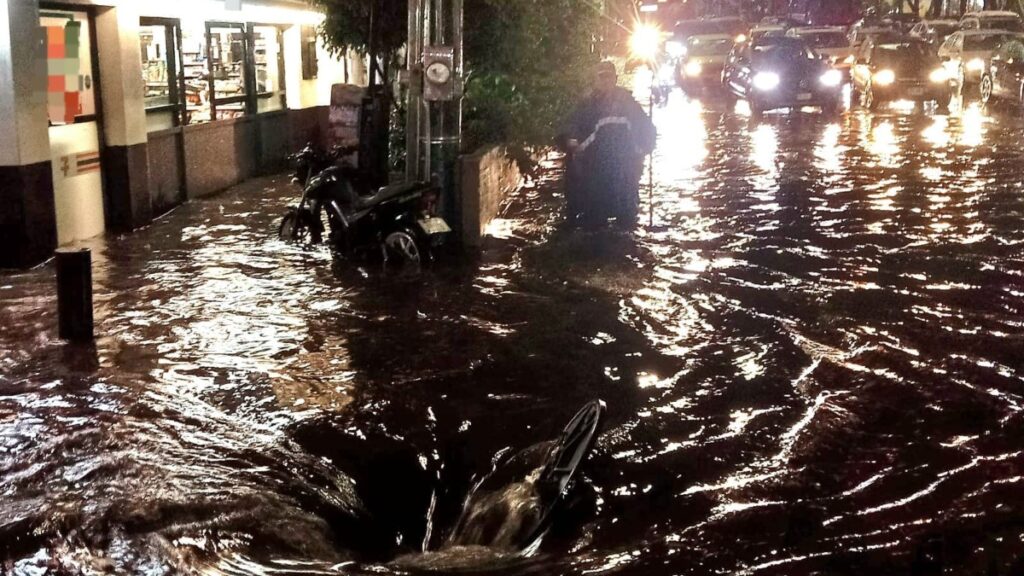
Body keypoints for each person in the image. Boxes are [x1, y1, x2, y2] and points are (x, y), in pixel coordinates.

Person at [559, 64, 656, 229]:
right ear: (595, 80)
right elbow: (574, 126)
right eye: (601, 77)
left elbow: (645, 127)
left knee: (626, 217)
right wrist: (570, 141)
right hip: (595, 168)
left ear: (615, 79)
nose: (605, 81)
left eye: (608, 77)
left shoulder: (628, 103)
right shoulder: (587, 104)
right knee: (596, 216)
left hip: (624, 167)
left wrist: (644, 148)